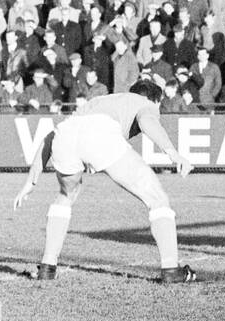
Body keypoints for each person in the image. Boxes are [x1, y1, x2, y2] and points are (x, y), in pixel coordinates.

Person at [13, 80, 197, 282]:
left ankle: (47, 267)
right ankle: (171, 269)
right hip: (99, 133)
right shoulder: (145, 103)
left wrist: (30, 183)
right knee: (158, 198)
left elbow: (51, 137)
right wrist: (174, 154)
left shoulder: (106, 100)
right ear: (155, 99)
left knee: (66, 195)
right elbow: (147, 120)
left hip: (65, 135)